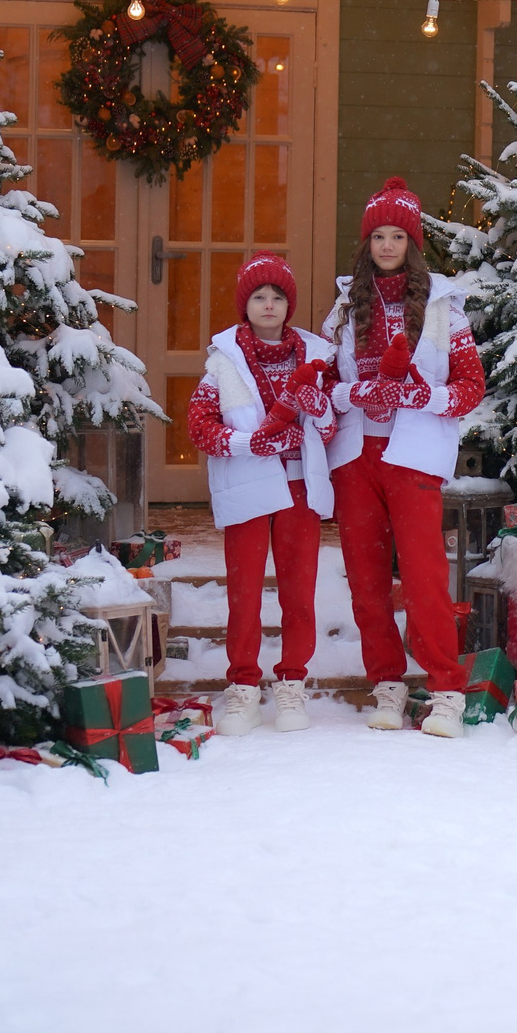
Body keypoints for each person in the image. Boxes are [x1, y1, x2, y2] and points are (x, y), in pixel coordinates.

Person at [326, 177, 485, 737]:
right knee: (367, 584)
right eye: (378, 236)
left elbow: (470, 387)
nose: (387, 246)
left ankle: (445, 689)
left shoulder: (445, 311)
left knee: (423, 579)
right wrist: (353, 394)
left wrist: (424, 396)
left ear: (412, 244)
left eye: (398, 236)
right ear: (367, 244)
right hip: (355, 458)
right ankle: (387, 685)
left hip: (413, 455)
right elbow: (323, 385)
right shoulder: (346, 306)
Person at [184, 252, 337, 736]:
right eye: (258, 296)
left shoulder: (315, 361)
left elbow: (332, 427)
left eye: (277, 297)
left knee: (299, 591)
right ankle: (243, 687)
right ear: (244, 305)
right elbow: (200, 427)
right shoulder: (222, 364)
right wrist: (251, 442)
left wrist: (321, 411)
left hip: (298, 486)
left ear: (288, 306)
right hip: (249, 486)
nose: (268, 305)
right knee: (245, 593)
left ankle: (292, 681)